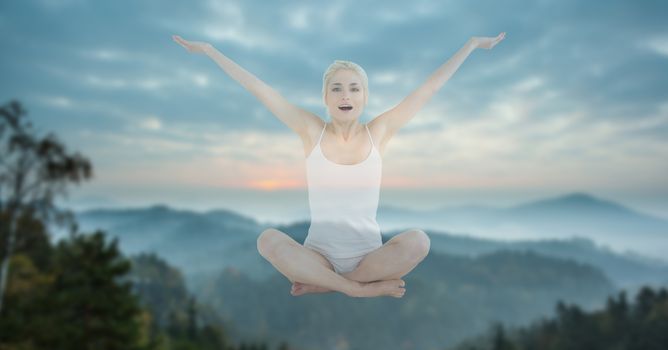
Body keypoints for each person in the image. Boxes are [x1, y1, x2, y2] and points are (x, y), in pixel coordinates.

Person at [173, 32, 506, 298]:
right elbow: (261, 90)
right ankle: (354, 289)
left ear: (364, 97)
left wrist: (472, 45)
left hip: (370, 258)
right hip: (317, 257)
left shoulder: (379, 133)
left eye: (353, 88)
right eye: (337, 88)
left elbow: (427, 90)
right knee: (267, 240)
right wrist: (210, 51)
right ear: (326, 98)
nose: (345, 95)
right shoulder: (311, 132)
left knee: (419, 241)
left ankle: (330, 284)